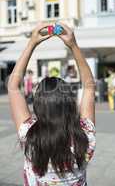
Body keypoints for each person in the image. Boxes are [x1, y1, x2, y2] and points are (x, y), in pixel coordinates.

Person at [8, 22, 96, 186]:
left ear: (39, 106)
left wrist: (32, 42)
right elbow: (89, 86)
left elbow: (13, 86)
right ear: (70, 103)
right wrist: (73, 45)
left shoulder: (30, 137)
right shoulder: (85, 136)